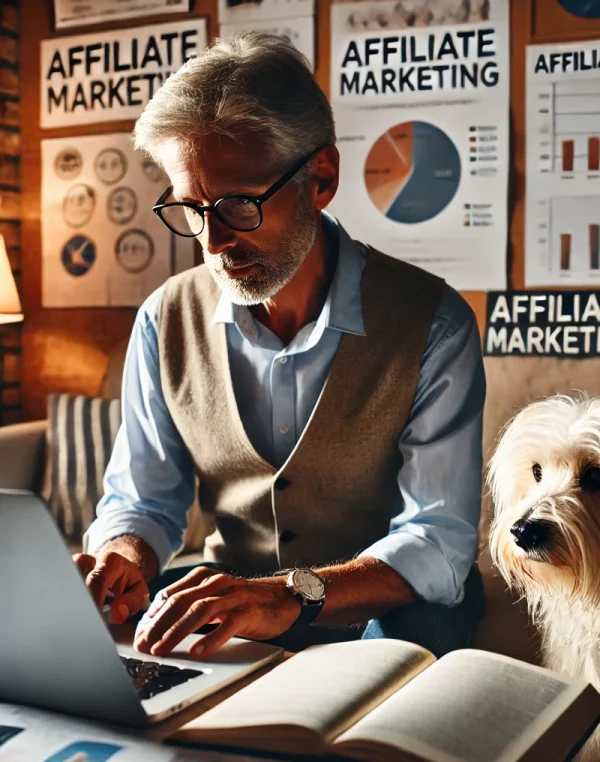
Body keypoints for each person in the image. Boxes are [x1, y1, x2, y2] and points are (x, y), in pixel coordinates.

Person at [75, 33, 486, 660]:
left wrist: (284, 597)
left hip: (389, 608)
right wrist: (123, 554)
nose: (211, 240)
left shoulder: (435, 324)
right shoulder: (163, 320)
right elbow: (142, 499)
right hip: (234, 600)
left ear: (320, 177)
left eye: (238, 204)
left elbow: (437, 541)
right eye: (191, 207)